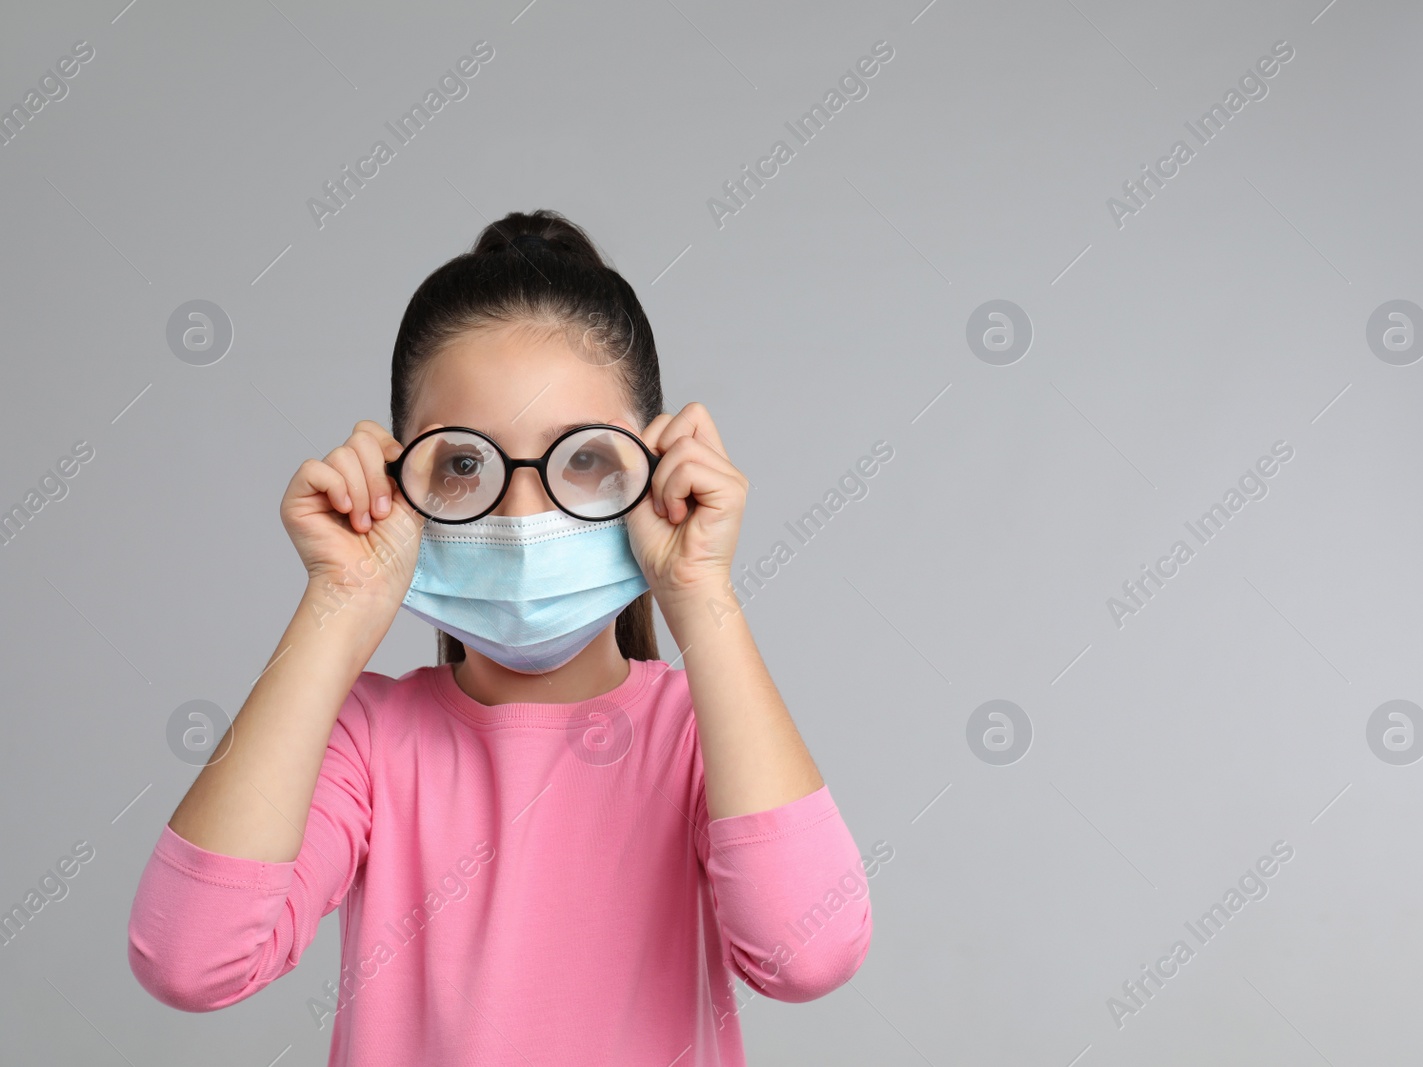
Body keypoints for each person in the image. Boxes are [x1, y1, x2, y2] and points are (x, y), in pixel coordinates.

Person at [126, 209, 873, 1065]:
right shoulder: (367, 744)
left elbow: (808, 954)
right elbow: (189, 960)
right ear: (402, 483)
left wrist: (699, 591)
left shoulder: (703, 732)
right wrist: (341, 600)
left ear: (655, 474)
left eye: (583, 460)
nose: (523, 516)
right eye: (465, 464)